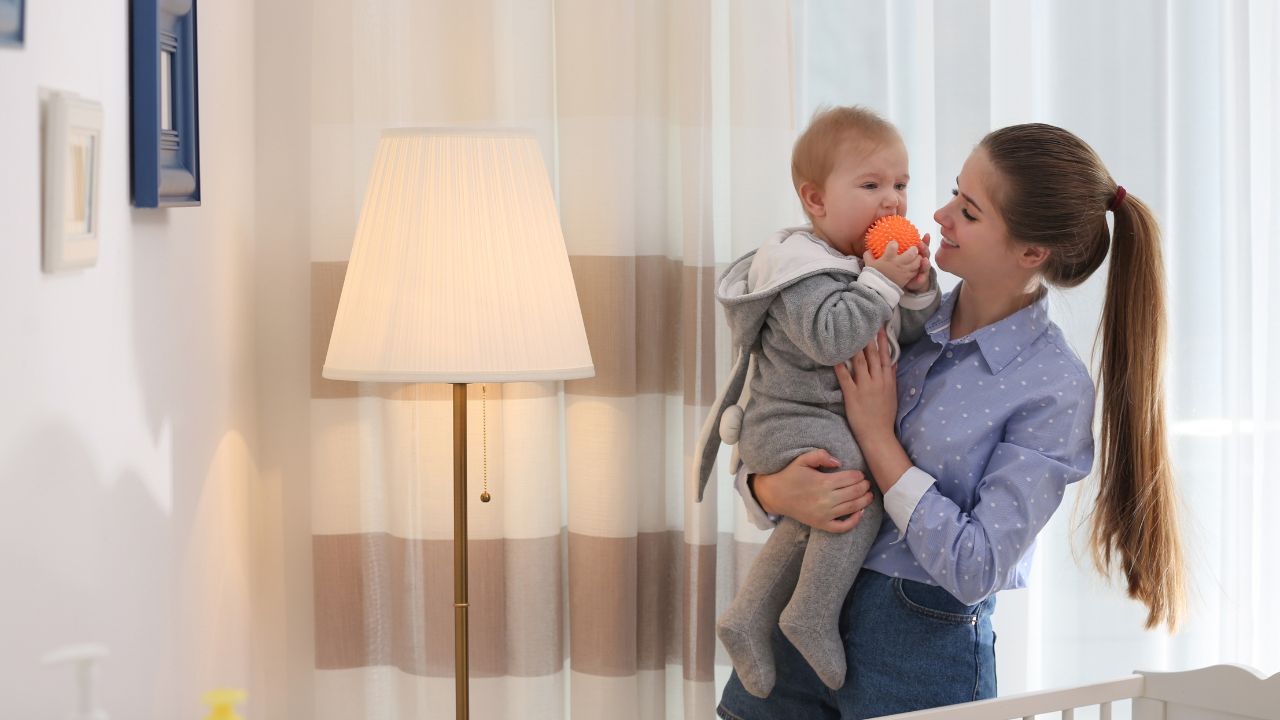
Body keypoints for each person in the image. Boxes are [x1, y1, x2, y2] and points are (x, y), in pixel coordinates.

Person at [716, 123, 1186, 720]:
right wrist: (768, 490)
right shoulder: (888, 314)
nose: (937, 216)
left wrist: (878, 440)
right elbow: (786, 415)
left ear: (1031, 253)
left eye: (968, 210)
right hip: (797, 621)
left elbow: (977, 566)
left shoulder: (1052, 388)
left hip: (919, 644)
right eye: (952, 193)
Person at [693, 106, 939, 698]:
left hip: (824, 423)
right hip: (787, 422)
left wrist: (915, 289)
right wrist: (881, 281)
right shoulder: (799, 269)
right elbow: (832, 336)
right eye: (871, 184)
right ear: (815, 199)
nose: (893, 200)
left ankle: (746, 616)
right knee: (858, 490)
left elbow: (903, 337)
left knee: (822, 512)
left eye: (901, 184)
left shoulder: (860, 266)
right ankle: (810, 612)